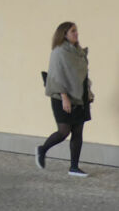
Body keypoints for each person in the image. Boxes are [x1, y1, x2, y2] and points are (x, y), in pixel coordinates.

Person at [37, 21, 93, 176]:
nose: (76, 33)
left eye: (76, 30)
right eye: (73, 31)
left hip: (80, 96)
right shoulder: (58, 52)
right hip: (62, 96)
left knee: (78, 131)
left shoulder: (78, 52)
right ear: (64, 34)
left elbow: (83, 76)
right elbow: (56, 76)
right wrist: (64, 97)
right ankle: (42, 149)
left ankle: (74, 167)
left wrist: (88, 92)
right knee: (64, 131)